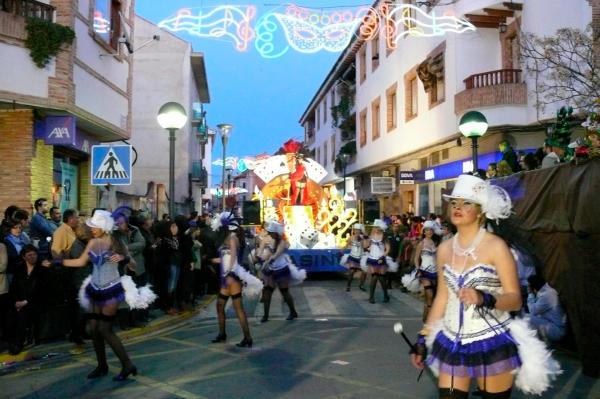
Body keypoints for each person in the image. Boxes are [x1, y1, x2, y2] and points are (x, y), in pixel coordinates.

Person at [410, 174, 560, 398]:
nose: (458, 207)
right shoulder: (444, 249)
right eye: (454, 202)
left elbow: (514, 298)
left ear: (481, 210)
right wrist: (423, 338)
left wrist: (485, 298)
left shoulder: (496, 247)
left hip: (492, 341)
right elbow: (442, 298)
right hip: (451, 342)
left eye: (466, 202)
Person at [60, 210, 156, 381]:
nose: (93, 229)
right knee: (94, 329)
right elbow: (81, 262)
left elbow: (133, 265)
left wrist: (122, 258)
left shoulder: (117, 243)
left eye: (96, 227)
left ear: (104, 227)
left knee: (105, 329)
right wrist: (58, 262)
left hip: (112, 288)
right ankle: (102, 365)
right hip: (95, 289)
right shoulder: (93, 243)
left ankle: (127, 365)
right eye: (92, 227)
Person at [210, 212, 262, 347]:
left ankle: (247, 337)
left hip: (232, 277)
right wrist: (212, 260)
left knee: (238, 308)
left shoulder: (232, 238)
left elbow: (233, 258)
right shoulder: (228, 237)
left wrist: (230, 274)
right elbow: (226, 257)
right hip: (226, 276)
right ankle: (222, 334)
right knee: (220, 305)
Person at [258, 221, 305, 322]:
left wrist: (268, 258)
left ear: (276, 233)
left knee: (284, 292)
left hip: (281, 269)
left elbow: (276, 255)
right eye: (269, 231)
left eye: (271, 232)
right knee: (267, 291)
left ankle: (293, 312)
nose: (269, 233)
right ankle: (265, 316)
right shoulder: (266, 239)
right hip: (269, 269)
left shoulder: (282, 242)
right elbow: (260, 251)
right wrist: (258, 257)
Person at [8, 245, 51, 355]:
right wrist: (17, 301)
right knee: (11, 313)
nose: (33, 257)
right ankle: (13, 341)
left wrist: (25, 302)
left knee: (23, 313)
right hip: (20, 301)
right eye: (29, 255)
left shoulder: (42, 270)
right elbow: (14, 287)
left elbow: (42, 290)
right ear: (24, 257)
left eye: (34, 254)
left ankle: (18, 343)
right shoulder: (19, 269)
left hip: (36, 301)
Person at [362, 219, 397, 304]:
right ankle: (371, 297)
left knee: (381, 278)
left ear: (381, 228)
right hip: (372, 258)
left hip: (380, 259)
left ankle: (385, 295)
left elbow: (388, 249)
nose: (376, 229)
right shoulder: (371, 235)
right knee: (374, 277)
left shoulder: (384, 237)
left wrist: (382, 257)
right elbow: (367, 246)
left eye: (378, 227)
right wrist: (366, 239)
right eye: (375, 227)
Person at [527, 275, 566, 343]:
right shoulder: (548, 291)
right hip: (557, 327)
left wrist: (530, 294)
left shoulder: (546, 295)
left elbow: (532, 311)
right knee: (535, 317)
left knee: (529, 319)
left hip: (557, 330)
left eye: (529, 286)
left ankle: (535, 344)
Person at [414, 220, 440, 322]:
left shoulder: (434, 243)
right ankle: (429, 319)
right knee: (430, 295)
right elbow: (416, 258)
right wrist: (417, 269)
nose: (429, 232)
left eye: (430, 230)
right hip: (424, 272)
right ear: (424, 232)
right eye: (427, 230)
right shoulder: (421, 243)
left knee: (431, 297)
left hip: (435, 272)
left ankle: (426, 316)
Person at [340, 223, 367, 292]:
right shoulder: (351, 237)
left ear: (360, 231)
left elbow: (365, 246)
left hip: (361, 257)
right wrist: (341, 251)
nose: (357, 231)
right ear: (354, 230)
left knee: (364, 272)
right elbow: (346, 245)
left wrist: (363, 238)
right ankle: (348, 286)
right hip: (353, 256)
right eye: (356, 230)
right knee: (351, 271)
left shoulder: (363, 237)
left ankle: (361, 285)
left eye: (358, 230)